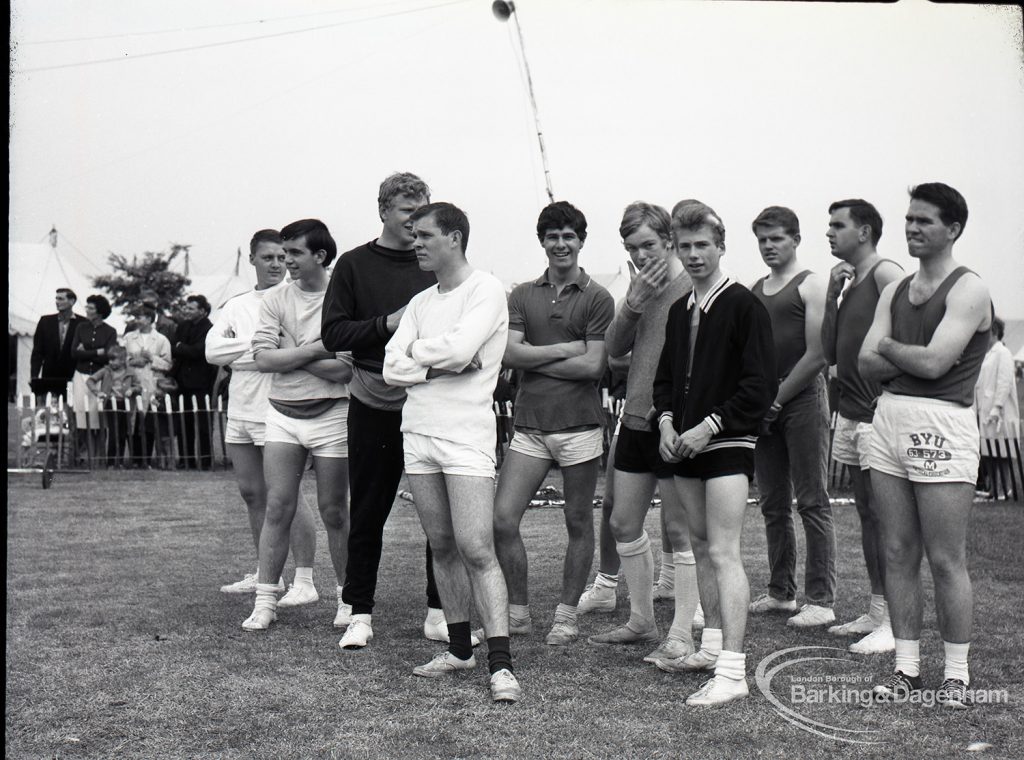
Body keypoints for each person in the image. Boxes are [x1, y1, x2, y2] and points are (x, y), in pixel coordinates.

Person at [859, 182, 991, 709]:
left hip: (943, 423)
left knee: (944, 558)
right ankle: (906, 669)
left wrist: (890, 347)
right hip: (889, 416)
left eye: (925, 221)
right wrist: (902, 354)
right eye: (909, 219)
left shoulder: (968, 289)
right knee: (896, 551)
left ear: (953, 228)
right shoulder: (895, 289)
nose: (912, 228)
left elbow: (936, 364)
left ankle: (956, 674)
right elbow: (863, 363)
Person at [383, 201, 520, 703]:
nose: (414, 243)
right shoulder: (420, 303)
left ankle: (501, 664)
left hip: (465, 436)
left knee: (477, 547)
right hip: (417, 433)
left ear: (454, 237)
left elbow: (465, 353)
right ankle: (460, 650)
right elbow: (391, 366)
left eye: (423, 235)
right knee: (441, 546)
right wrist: (433, 362)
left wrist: (420, 356)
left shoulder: (485, 289)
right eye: (413, 234)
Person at [652, 200, 776, 706]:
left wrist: (710, 425)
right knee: (699, 547)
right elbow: (665, 379)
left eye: (703, 245)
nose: (694, 254)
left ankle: (732, 672)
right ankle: (711, 647)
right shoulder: (682, 309)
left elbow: (760, 385)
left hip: (726, 442)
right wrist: (664, 422)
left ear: (721, 246)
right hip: (682, 446)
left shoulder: (744, 305)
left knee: (724, 551)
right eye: (685, 247)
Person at [321, 172, 449, 648]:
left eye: (422, 213)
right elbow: (335, 335)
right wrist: (389, 324)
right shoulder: (354, 264)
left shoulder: (438, 263)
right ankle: (358, 612)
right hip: (372, 399)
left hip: (430, 400)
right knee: (369, 511)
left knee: (439, 514)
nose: (415, 224)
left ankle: (440, 612)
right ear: (382, 211)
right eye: (406, 213)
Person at [494, 200, 614, 646]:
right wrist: (566, 350)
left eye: (569, 236)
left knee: (578, 522)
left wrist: (535, 361)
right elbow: (510, 354)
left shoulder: (599, 297)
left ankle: (566, 616)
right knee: (503, 519)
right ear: (542, 241)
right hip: (529, 427)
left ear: (581, 241)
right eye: (552, 236)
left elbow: (593, 368)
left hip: (579, 427)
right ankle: (519, 612)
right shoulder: (522, 293)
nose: (560, 243)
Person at [586, 202, 701, 664]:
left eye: (649, 245)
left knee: (679, 530)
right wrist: (632, 303)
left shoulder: (693, 285)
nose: (640, 256)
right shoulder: (637, 288)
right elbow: (612, 352)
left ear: (669, 240)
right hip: (635, 417)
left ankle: (680, 634)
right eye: (632, 248)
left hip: (676, 422)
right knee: (621, 522)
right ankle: (640, 619)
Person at [242, 219, 354, 637]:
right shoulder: (274, 299)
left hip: (332, 416)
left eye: (294, 253)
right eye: (282, 253)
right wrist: (315, 349)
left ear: (320, 256)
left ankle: (348, 599)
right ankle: (266, 601)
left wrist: (291, 350)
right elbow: (263, 359)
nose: (285, 261)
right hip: (282, 415)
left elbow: (344, 369)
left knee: (334, 511)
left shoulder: (343, 298)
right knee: (278, 508)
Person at [206, 230, 319, 604]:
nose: (276, 264)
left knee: (287, 496)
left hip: (277, 409)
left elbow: (299, 351)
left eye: (281, 257)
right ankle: (265, 572)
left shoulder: (293, 299)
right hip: (239, 408)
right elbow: (212, 351)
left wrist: (266, 353)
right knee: (252, 493)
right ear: (252, 258)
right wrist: (260, 345)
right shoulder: (237, 304)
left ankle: (305, 578)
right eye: (267, 257)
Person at [820, 199, 904, 654]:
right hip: (850, 412)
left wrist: (891, 387)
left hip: (876, 414)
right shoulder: (850, 281)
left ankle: (894, 621)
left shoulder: (887, 273)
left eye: (838, 225)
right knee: (868, 514)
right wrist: (832, 296)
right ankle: (877, 609)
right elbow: (830, 352)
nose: (829, 233)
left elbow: (913, 334)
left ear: (865, 231)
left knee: (887, 518)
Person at [749, 206, 837, 628]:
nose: (768, 246)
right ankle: (781, 592)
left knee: (812, 500)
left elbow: (817, 355)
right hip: (766, 403)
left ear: (796, 239)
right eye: (763, 240)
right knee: (773, 503)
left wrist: (777, 399)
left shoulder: (812, 284)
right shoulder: (754, 289)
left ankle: (820, 599)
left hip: (801, 399)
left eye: (776, 239)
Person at [975, 317, 1020, 499]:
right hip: (985, 411)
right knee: (989, 452)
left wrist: (997, 406)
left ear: (993, 331)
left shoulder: (1003, 353)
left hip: (999, 413)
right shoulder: (988, 354)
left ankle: (1003, 490)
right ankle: (993, 489)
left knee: (1002, 453)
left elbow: (1004, 382)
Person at [70, 294, 119, 461]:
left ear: (100, 311)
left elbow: (109, 355)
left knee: (98, 415)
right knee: (80, 414)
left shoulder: (110, 331)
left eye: (91, 308)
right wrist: (96, 352)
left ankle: (99, 455)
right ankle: (82, 454)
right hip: (80, 376)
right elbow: (74, 353)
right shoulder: (81, 328)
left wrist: (86, 352)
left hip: (99, 377)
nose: (87, 310)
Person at [172, 295, 218, 470]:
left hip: (201, 384)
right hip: (182, 383)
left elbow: (198, 352)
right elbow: (173, 347)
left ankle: (205, 461)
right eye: (186, 307)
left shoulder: (210, 329)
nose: (186, 311)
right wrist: (183, 349)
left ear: (202, 311)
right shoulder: (182, 326)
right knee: (184, 423)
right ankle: (186, 459)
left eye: (191, 308)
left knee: (203, 425)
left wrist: (181, 348)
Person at [124, 306, 173, 468]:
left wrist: (152, 358)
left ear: (150, 319)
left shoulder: (161, 340)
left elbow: (167, 364)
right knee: (133, 420)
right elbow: (120, 358)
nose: (138, 320)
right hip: (134, 382)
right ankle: (135, 459)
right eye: (137, 317)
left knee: (149, 421)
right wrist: (132, 362)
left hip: (152, 383)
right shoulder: (129, 338)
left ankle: (146, 458)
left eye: (142, 317)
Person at [86, 345, 142, 467]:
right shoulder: (106, 371)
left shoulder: (131, 372)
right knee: (113, 432)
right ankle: (110, 462)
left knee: (123, 433)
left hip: (126, 404)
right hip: (111, 403)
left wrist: (132, 389)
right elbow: (90, 380)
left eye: (113, 359)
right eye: (109, 360)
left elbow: (139, 387)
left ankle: (120, 461)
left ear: (122, 360)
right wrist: (97, 392)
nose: (110, 362)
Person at [30, 288, 87, 400]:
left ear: (72, 301)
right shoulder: (45, 321)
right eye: (56, 298)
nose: (57, 301)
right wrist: (34, 376)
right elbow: (37, 352)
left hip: (73, 377)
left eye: (61, 299)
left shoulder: (83, 323)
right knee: (48, 411)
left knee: (70, 411)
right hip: (49, 376)